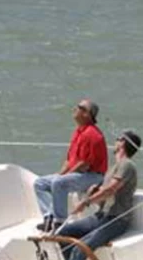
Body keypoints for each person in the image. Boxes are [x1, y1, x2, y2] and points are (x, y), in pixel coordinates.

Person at [56, 130, 142, 260]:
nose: (115, 141)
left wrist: (87, 201)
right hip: (101, 216)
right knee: (63, 233)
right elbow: (105, 191)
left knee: (80, 246)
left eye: (118, 139)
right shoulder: (114, 167)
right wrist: (94, 191)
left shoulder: (127, 165)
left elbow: (111, 190)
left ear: (123, 143)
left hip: (116, 220)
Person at [34, 99, 108, 232]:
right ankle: (48, 218)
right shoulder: (78, 132)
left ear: (87, 114)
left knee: (58, 183)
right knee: (40, 183)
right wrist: (61, 174)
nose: (75, 109)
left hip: (92, 175)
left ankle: (59, 222)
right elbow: (69, 160)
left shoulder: (92, 134)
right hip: (79, 173)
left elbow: (85, 164)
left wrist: (63, 177)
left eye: (79, 107)